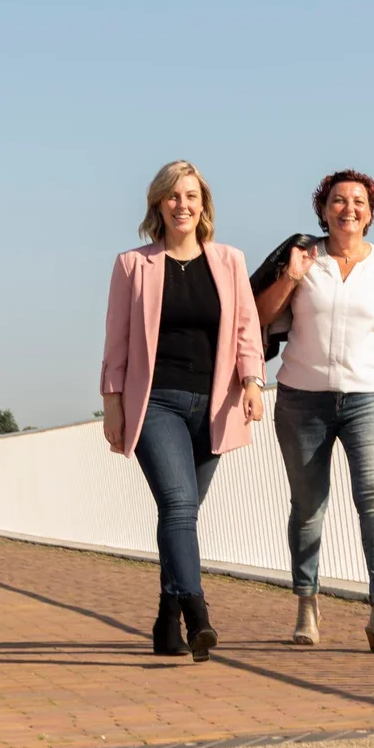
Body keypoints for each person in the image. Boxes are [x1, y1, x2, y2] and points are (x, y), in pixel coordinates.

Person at [255, 169, 374, 651]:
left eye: (359, 202)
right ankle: (307, 603)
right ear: (323, 210)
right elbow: (258, 316)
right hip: (302, 398)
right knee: (308, 507)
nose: (349, 209)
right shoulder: (305, 257)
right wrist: (291, 276)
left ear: (370, 213)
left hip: (369, 398)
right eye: (338, 201)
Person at [101, 160, 265, 660]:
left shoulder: (229, 261)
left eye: (191, 196)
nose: (182, 205)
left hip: (214, 406)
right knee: (177, 504)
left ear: (203, 204)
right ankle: (197, 612)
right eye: (173, 196)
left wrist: (253, 381)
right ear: (158, 203)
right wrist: (112, 402)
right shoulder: (133, 265)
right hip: (156, 404)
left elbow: (246, 328)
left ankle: (165, 623)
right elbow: (116, 341)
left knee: (182, 515)